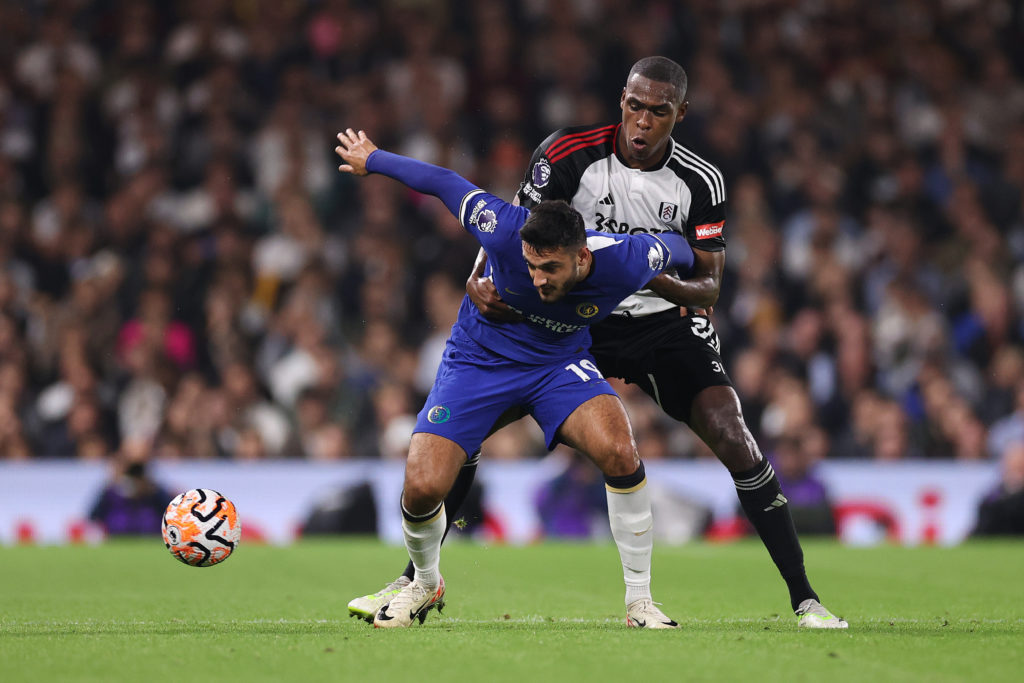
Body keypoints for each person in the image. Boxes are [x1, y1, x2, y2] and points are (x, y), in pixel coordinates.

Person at [350, 56, 847, 629]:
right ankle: (418, 580)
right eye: (635, 107)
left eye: (658, 112)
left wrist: (636, 273)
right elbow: (517, 233)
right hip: (568, 318)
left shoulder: (700, 182)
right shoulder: (566, 155)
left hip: (660, 319)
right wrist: (478, 275)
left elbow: (708, 286)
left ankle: (804, 596)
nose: (642, 123)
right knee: (460, 436)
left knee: (733, 435)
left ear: (679, 114)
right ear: (621, 101)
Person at [335, 127, 695, 629]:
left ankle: (640, 602)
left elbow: (679, 246)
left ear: (583, 258)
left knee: (621, 451)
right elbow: (443, 181)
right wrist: (374, 159)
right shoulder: (504, 229)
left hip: (557, 367)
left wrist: (701, 271)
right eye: (530, 266)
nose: (537, 278)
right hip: (479, 360)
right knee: (420, 486)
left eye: (550, 268)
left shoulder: (625, 259)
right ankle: (424, 581)